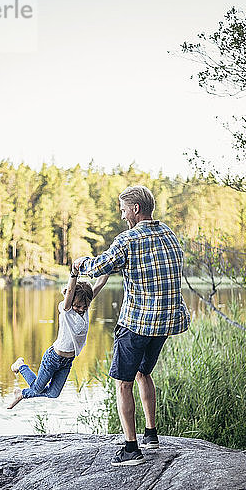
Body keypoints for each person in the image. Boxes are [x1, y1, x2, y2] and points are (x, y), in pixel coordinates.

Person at [73, 185, 190, 467]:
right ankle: (151, 434)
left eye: (124, 208)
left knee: (123, 383)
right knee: (142, 373)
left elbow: (100, 266)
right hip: (164, 322)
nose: (122, 214)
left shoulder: (128, 240)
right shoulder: (169, 235)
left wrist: (81, 262)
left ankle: (131, 449)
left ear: (136, 209)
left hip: (136, 323)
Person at [7, 270, 108, 409]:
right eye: (78, 306)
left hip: (67, 362)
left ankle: (21, 394)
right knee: (37, 389)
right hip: (53, 358)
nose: (81, 309)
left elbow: (100, 283)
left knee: (54, 393)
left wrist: (109, 267)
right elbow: (71, 289)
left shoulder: (85, 307)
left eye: (85, 307)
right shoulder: (66, 310)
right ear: (71, 301)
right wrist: (74, 274)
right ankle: (20, 366)